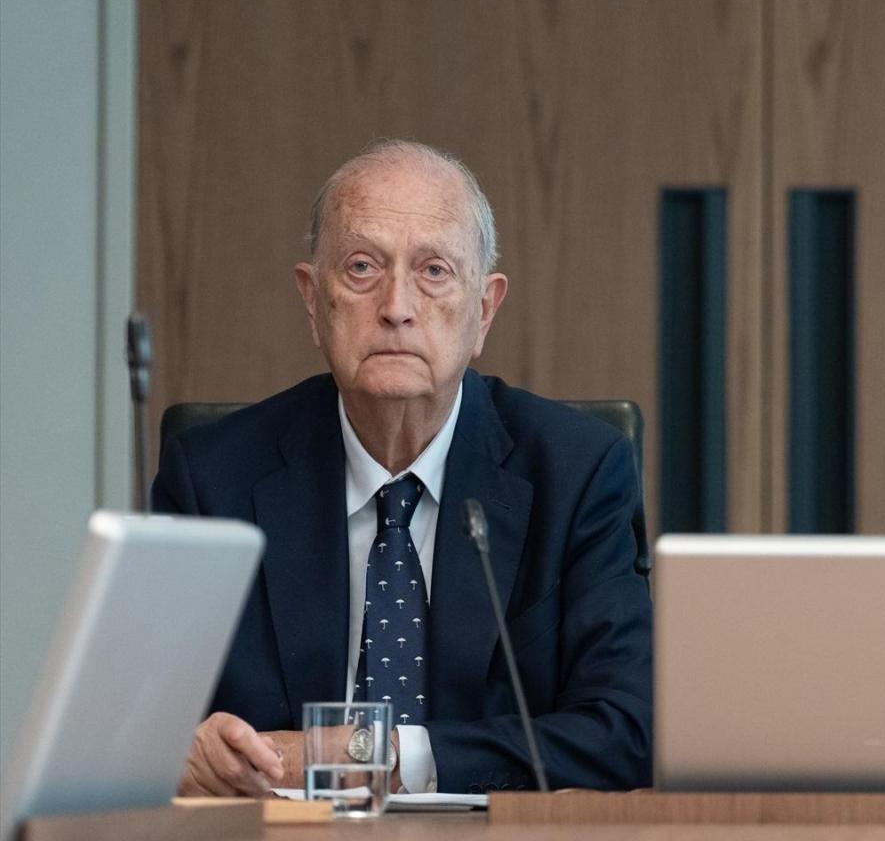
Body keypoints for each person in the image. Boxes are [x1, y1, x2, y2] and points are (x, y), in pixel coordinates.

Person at [156, 140, 651, 797]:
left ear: (484, 310)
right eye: (362, 267)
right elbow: (132, 727)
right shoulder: (213, 478)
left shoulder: (578, 472)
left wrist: (375, 754)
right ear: (313, 300)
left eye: (434, 271)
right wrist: (180, 752)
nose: (396, 305)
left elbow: (624, 735)